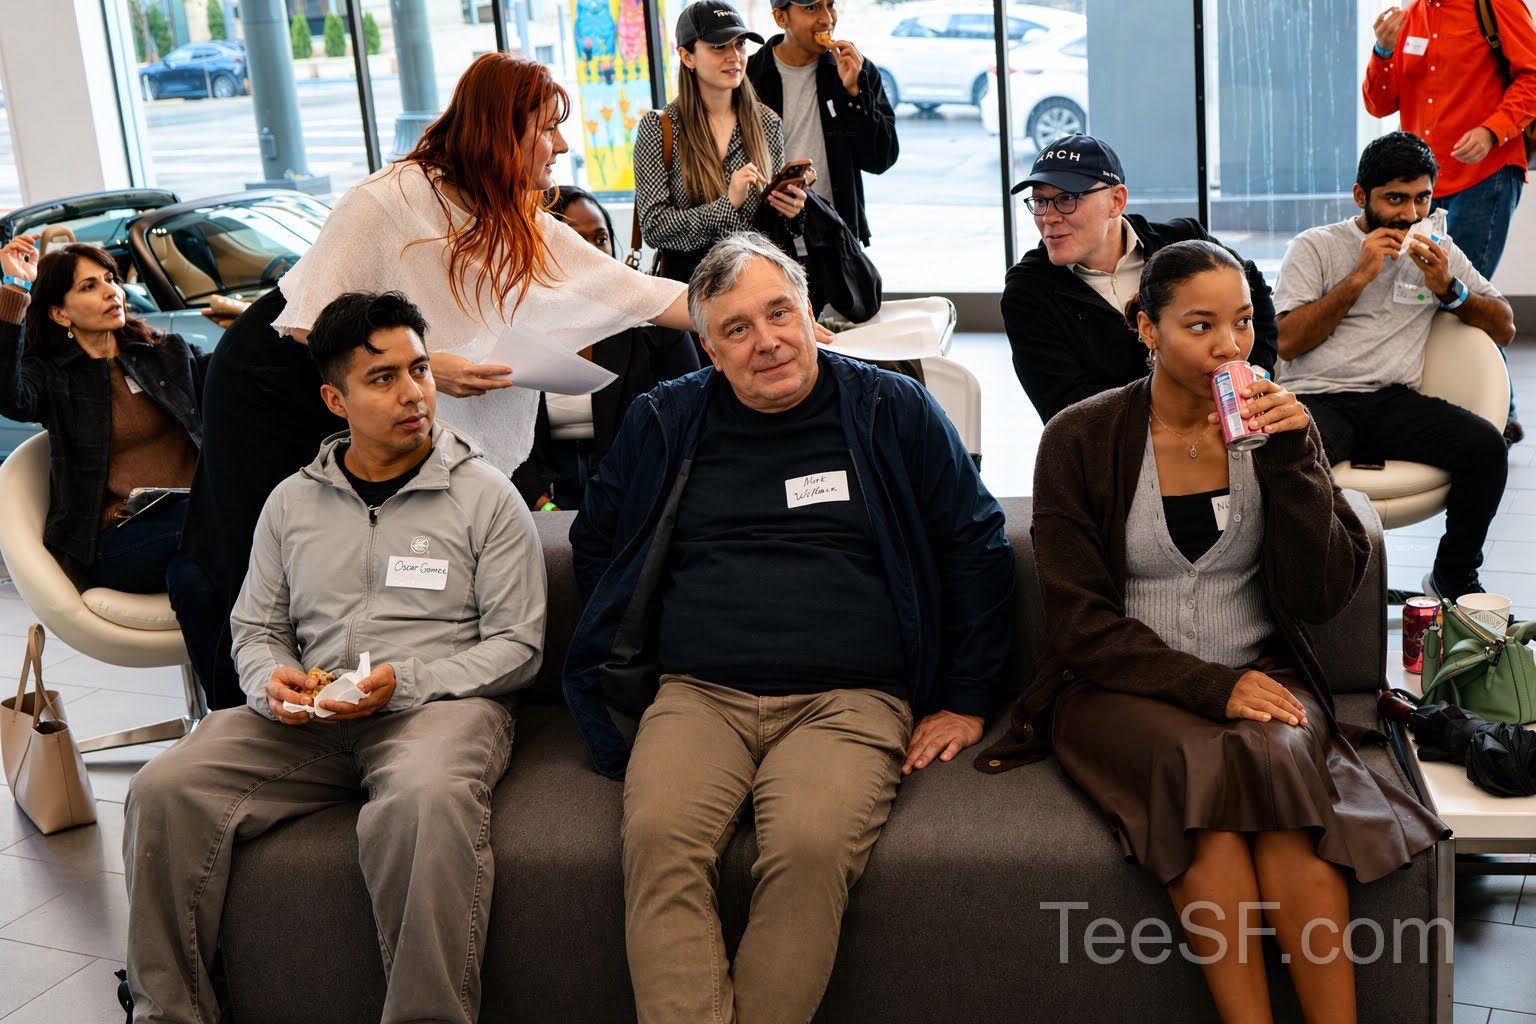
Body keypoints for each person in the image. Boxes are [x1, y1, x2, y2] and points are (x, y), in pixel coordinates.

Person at [978, 240, 1445, 1024]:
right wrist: (1212, 687)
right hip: (1116, 688)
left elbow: (1322, 594)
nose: (1231, 347)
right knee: (1208, 775)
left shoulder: (1280, 428)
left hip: (1260, 669)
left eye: (1244, 322)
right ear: (1147, 328)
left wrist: (1296, 459)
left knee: (1280, 768)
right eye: (1200, 326)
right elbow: (1081, 625)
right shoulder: (1081, 438)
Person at [565, 232, 1013, 1022]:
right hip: (698, 695)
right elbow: (599, 543)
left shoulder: (891, 408)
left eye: (779, 313)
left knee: (807, 851)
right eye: (737, 329)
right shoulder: (664, 419)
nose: (766, 341)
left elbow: (974, 545)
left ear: (812, 317)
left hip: (849, 700)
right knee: (659, 844)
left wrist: (967, 698)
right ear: (709, 350)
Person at [175, 54, 692, 711]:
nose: (562, 145)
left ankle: (346, 695)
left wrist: (752, 312)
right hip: (274, 375)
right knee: (253, 551)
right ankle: (247, 707)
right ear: (500, 132)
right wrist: (430, 366)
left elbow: (632, 290)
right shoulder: (387, 199)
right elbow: (312, 323)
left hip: (370, 371)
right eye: (547, 128)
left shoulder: (510, 217)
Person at [123, 291, 546, 1024]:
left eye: (420, 369)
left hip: (436, 709)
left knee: (423, 800)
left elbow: (519, 646)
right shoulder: (291, 502)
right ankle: (168, 1014)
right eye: (383, 377)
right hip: (312, 718)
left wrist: (404, 681)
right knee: (163, 787)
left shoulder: (487, 497)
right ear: (334, 399)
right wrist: (269, 681)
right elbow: (255, 629)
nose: (414, 393)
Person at [1273, 130, 1514, 601]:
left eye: (1422, 198)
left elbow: (1504, 326)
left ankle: (1453, 576)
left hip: (1393, 400)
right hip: (1318, 396)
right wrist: (1358, 278)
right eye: (1395, 199)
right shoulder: (1316, 246)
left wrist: (1449, 288)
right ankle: (1313, 584)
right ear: (1361, 196)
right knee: (1289, 456)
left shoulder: (1439, 249)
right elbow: (1288, 341)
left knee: (1486, 447)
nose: (1410, 214)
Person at [1001, 133, 1278, 424]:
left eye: (1066, 199)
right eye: (1040, 201)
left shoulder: (1181, 240)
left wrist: (1253, 379)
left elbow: (1255, 295)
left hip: (1226, 422)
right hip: (1119, 444)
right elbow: (1069, 410)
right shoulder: (1029, 291)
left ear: (1116, 200)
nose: (1048, 217)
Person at [1366, 1, 1536, 445]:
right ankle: (1501, 412)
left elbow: (1533, 77)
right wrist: (1382, 50)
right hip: (1423, 188)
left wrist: (1493, 129)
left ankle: (1489, 415)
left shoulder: (1495, 4)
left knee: (1459, 293)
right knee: (1438, 294)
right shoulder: (1410, 16)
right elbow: (1379, 103)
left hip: (1485, 175)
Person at [0, 237, 207, 601]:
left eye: (111, 279)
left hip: (194, 520)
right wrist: (16, 289)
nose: (111, 292)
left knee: (192, 581)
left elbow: (235, 386)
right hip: (120, 537)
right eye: (89, 286)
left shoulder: (168, 353)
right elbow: (9, 396)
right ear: (60, 314)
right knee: (218, 516)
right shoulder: (55, 378)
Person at [513, 187, 700, 511]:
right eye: (574, 240)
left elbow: (692, 418)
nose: (592, 252)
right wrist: (541, 502)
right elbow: (503, 430)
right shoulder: (516, 324)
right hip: (549, 507)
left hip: (640, 500)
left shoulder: (654, 325)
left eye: (600, 239)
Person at [633, 0, 808, 285]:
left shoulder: (767, 123)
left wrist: (792, 211)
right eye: (718, 46)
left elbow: (772, 229)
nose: (734, 57)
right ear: (687, 57)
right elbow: (654, 228)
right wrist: (728, 203)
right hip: (690, 291)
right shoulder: (659, 127)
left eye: (740, 45)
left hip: (756, 286)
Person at [745, 0, 899, 248]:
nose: (827, 19)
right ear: (781, 18)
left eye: (830, 5)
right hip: (767, 245)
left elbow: (881, 159)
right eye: (811, 8)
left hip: (836, 240)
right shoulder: (749, 78)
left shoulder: (856, 70)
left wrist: (854, 93)